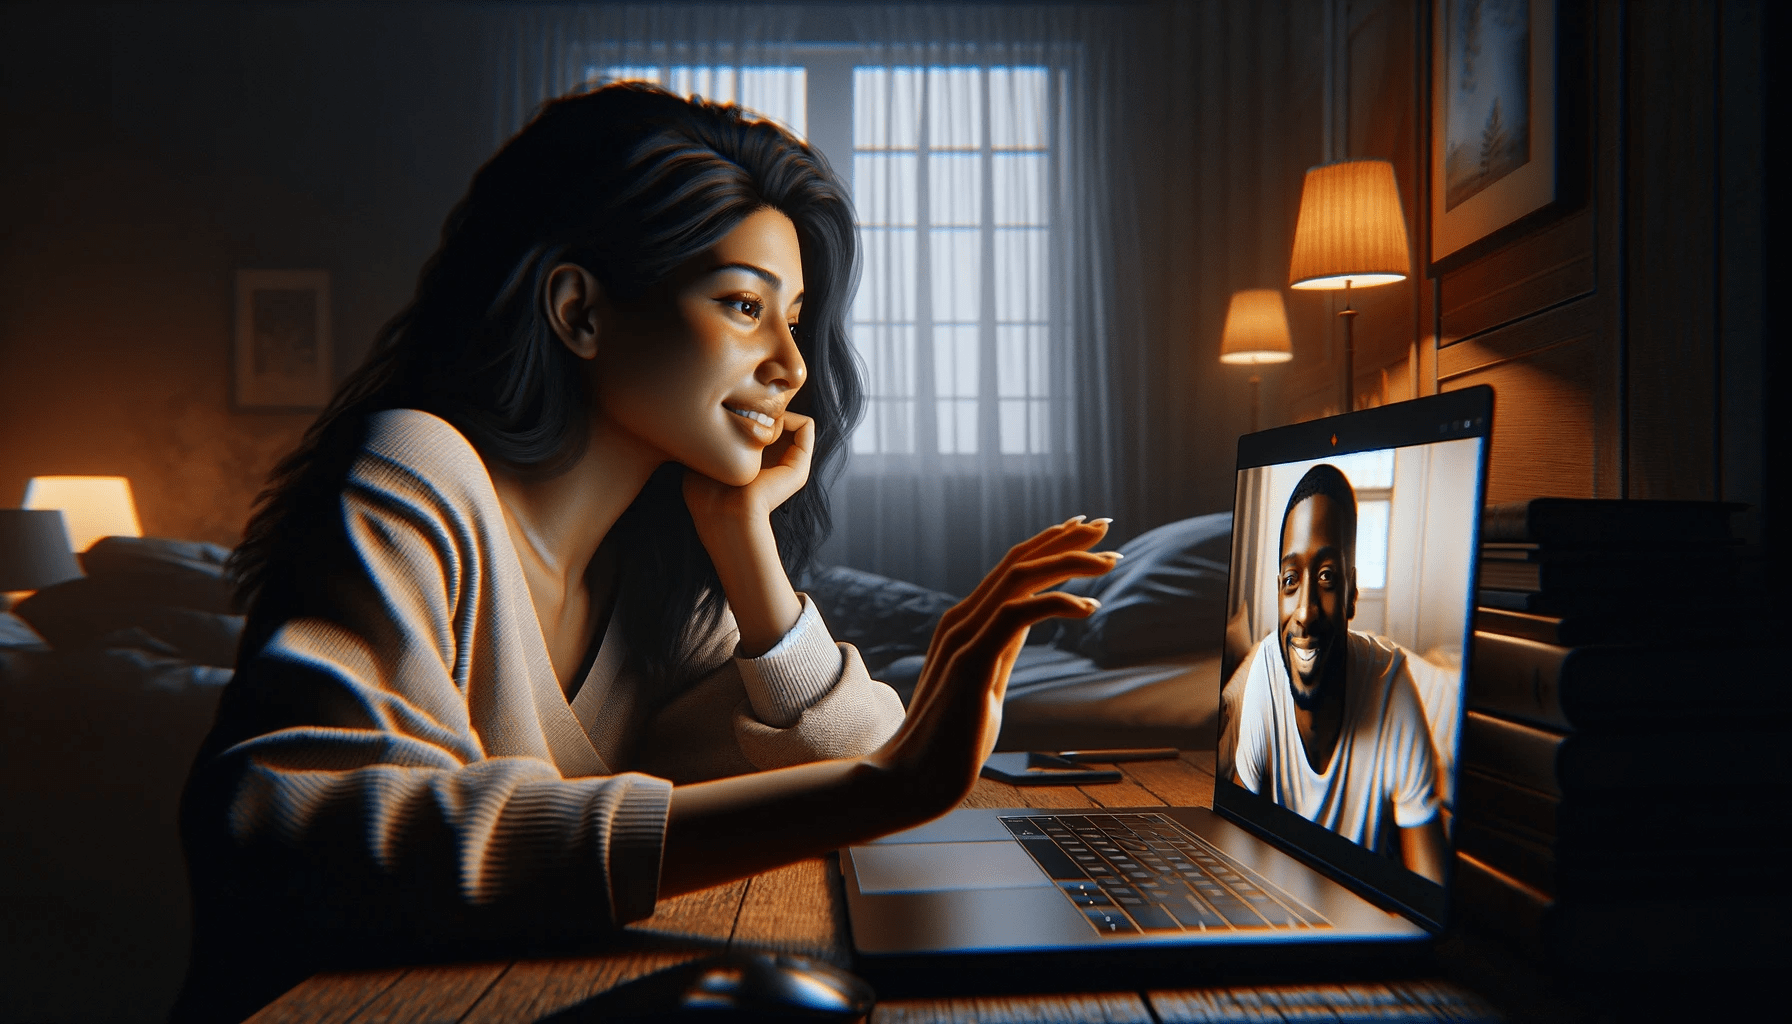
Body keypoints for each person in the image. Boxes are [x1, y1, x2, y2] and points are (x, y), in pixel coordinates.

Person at [173, 83, 1116, 1024]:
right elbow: (302, 839)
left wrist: (747, 550)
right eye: (745, 304)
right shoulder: (418, 468)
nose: (791, 363)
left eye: (797, 314)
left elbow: (856, 773)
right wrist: (888, 784)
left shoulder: (664, 576)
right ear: (580, 312)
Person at [1226, 464, 1446, 882]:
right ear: (1278, 592)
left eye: (1327, 577)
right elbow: (1233, 847)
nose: (1305, 611)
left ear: (1351, 593)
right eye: (1291, 580)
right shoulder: (1266, 673)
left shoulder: (1393, 688)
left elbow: (1426, 892)